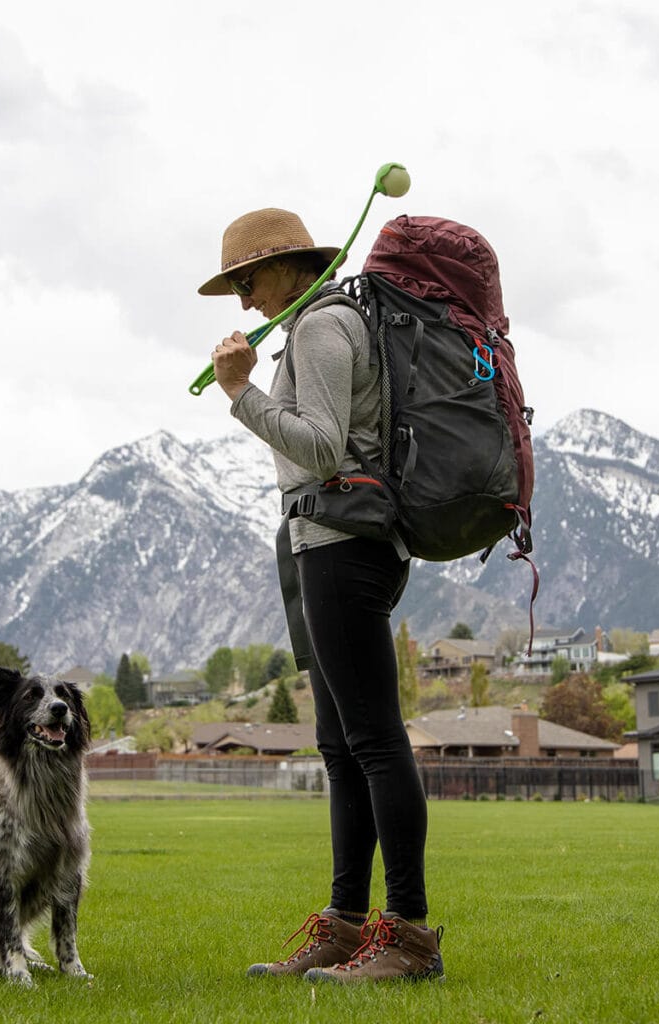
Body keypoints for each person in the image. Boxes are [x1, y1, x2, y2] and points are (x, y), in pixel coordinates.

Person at [198, 208, 444, 984]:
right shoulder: (315, 325)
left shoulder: (321, 326)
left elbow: (324, 448)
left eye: (250, 280)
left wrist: (239, 393)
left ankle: (408, 938)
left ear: (291, 265)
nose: (244, 302)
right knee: (342, 749)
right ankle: (344, 927)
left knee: (373, 742)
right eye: (235, 285)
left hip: (346, 545)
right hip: (319, 545)